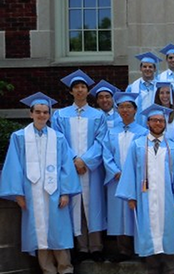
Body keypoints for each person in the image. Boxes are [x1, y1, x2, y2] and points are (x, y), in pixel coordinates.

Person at [0, 92, 81, 274]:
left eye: (45, 112)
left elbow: (65, 167)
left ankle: (65, 268)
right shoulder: (19, 137)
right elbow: (14, 167)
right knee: (39, 234)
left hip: (55, 193)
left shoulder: (58, 138)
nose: (42, 115)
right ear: (31, 114)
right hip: (31, 193)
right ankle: (47, 270)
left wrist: (66, 192)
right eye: (38, 112)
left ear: (49, 115)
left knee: (58, 232)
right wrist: (18, 195)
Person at [116, 104, 174, 274]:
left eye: (161, 121)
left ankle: (171, 266)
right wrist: (131, 196)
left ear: (165, 123)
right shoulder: (137, 145)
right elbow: (130, 172)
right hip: (145, 198)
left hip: (168, 198)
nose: (158, 123)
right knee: (147, 231)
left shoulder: (173, 148)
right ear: (148, 122)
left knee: (169, 232)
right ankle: (152, 265)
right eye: (154, 120)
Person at [52, 70, 108, 264]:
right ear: (71, 92)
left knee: (93, 206)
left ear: (87, 91)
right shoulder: (60, 115)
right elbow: (59, 142)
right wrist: (74, 159)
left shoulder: (98, 115)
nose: (80, 90)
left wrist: (85, 160)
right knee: (75, 207)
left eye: (83, 87)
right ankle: (81, 247)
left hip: (91, 169)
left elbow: (101, 141)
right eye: (76, 87)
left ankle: (96, 247)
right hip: (71, 168)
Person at [102, 92, 148, 263]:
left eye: (129, 107)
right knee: (118, 215)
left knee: (137, 212)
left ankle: (141, 249)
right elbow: (106, 154)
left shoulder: (143, 132)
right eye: (122, 107)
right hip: (116, 179)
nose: (125, 110)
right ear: (118, 110)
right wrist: (115, 171)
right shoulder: (111, 132)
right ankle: (123, 250)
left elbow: (145, 156)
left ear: (135, 110)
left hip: (136, 180)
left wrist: (132, 175)